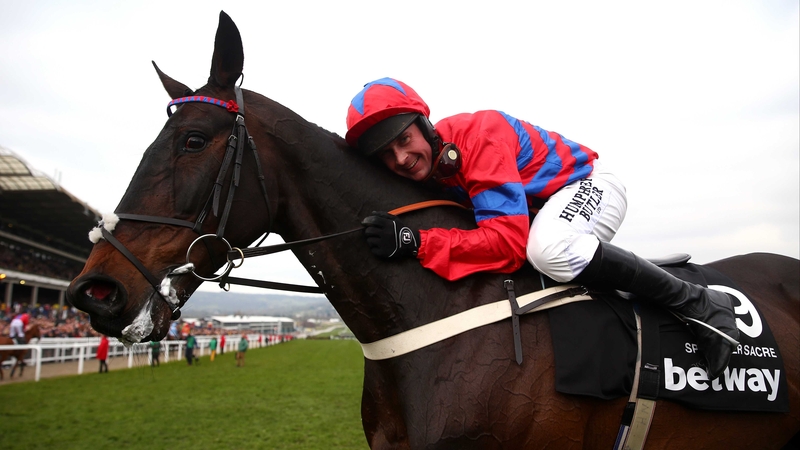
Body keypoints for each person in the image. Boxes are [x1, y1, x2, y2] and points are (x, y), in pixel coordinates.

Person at [347, 77, 739, 379]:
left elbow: (507, 244)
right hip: (545, 207)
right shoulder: (431, 167)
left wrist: (417, 243)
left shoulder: (478, 137)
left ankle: (699, 302)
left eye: (404, 139)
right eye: (387, 154)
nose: (401, 157)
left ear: (424, 124)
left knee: (546, 249)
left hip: (588, 184)